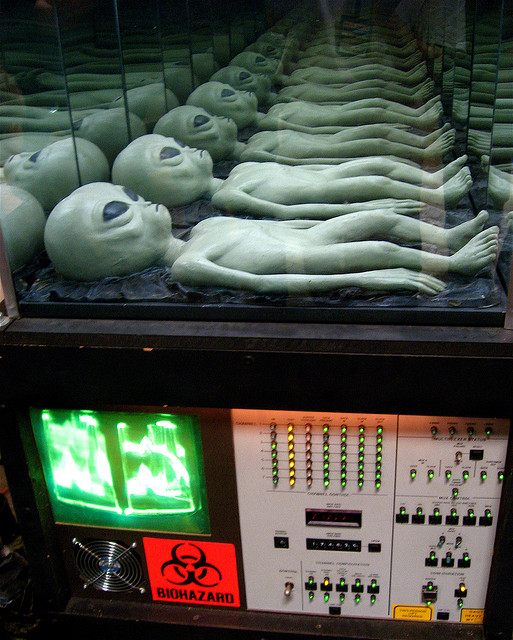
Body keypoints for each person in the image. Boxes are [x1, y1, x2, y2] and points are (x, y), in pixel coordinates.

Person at [44, 182, 501, 297]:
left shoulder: (203, 227)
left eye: (131, 194)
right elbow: (265, 285)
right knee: (381, 250)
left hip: (307, 239)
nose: (143, 202)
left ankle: (446, 236)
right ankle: (455, 264)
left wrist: (339, 219)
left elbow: (282, 225)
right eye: (119, 213)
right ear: (112, 255)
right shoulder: (187, 265)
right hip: (300, 259)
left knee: (378, 217)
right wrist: (373, 277)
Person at [111, 134, 473, 215]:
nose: (189, 149)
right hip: (324, 193)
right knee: (380, 182)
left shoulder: (240, 169)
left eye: (178, 143)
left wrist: (332, 167)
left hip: (326, 177)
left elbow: (294, 168)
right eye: (172, 154)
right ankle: (437, 195)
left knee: (380, 162)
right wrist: (352, 209)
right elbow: (285, 212)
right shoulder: (224, 195)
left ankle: (433, 181)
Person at [240, 123, 456, 165]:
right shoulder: (250, 154)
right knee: (380, 153)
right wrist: (338, 161)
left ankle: (422, 139)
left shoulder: (263, 132)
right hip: (327, 152)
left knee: (377, 124)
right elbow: (296, 164)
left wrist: (340, 129)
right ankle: (424, 155)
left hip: (329, 139)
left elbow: (311, 130)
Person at [258, 96, 443, 133]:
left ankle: (416, 113)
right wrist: (342, 131)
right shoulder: (268, 122)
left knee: (378, 101)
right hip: (334, 122)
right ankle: (420, 122)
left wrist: (340, 103)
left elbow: (318, 103)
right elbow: (311, 132)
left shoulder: (280, 102)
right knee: (377, 112)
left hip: (337, 110)